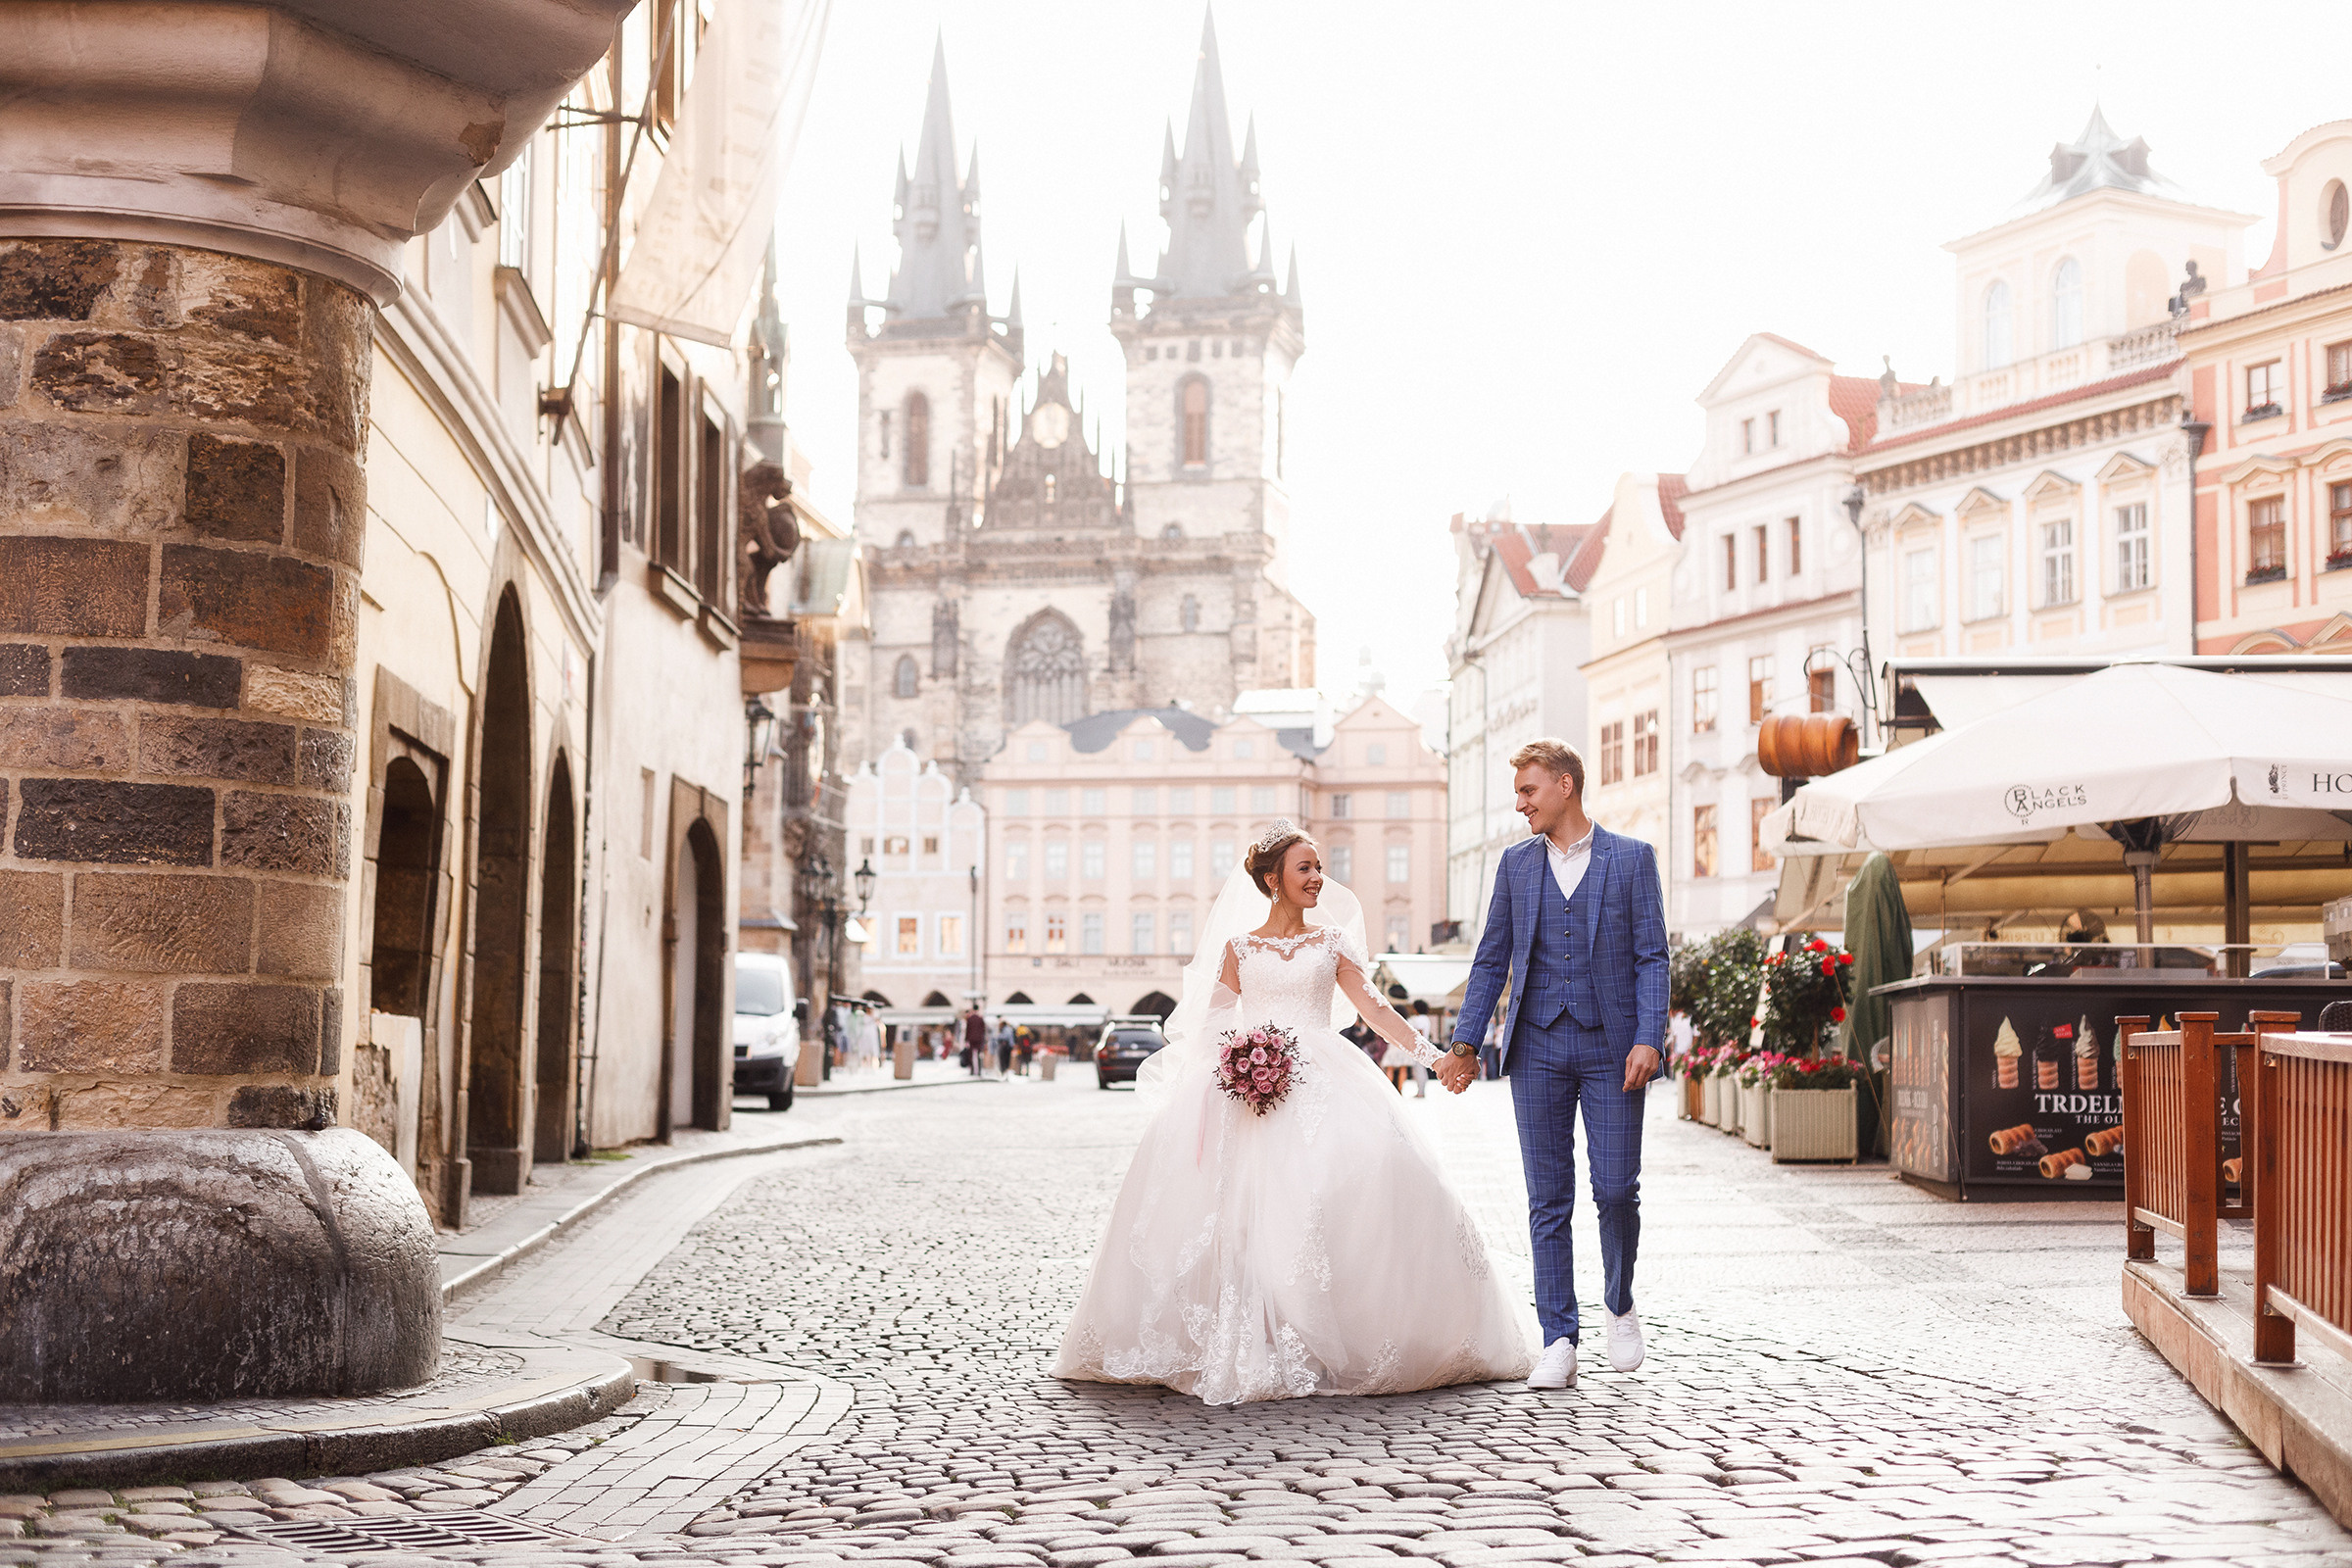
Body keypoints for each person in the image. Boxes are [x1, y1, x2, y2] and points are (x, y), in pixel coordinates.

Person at [1055, 821, 1530, 1404]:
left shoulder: (1330, 944)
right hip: (1247, 1084)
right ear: (1273, 880)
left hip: (1322, 1075)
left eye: (1319, 867)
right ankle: (1257, 1333)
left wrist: (1437, 1059)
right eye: (1304, 868)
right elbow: (1209, 1027)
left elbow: (1375, 1011)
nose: (1317, 878)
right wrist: (1234, 1062)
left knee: (1358, 1173)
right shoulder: (1239, 949)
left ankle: (1337, 1327)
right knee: (1241, 1209)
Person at [1446, 738, 1667, 1394]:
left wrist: (1648, 1036)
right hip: (1537, 1046)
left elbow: (1652, 956)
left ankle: (1619, 1302)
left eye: (1529, 791)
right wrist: (1463, 1043)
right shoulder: (1515, 866)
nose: (1520, 805)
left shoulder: (1631, 860)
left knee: (1615, 1189)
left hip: (1612, 1049)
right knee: (1548, 1199)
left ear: (1565, 786)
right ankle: (1559, 1338)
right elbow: (1492, 960)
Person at [961, 1005, 987, 1075]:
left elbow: (968, 1030)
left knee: (971, 1055)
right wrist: (983, 1040)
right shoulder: (980, 1019)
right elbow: (983, 1030)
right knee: (979, 1055)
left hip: (971, 1039)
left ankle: (972, 1070)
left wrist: (966, 1039)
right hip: (979, 1039)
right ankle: (979, 1071)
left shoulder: (970, 1019)